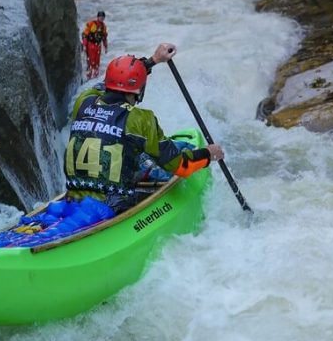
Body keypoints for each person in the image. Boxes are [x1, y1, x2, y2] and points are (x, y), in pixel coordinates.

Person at [64, 43, 224, 214]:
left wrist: (153, 60)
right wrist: (208, 154)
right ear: (139, 90)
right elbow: (181, 166)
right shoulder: (141, 119)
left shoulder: (83, 101)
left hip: (74, 198)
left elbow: (109, 83)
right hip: (113, 205)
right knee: (155, 158)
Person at [81, 10, 107, 80]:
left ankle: (95, 77)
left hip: (98, 46)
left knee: (97, 62)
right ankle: (88, 77)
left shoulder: (103, 26)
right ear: (98, 17)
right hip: (90, 45)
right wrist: (84, 45)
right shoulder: (92, 24)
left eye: (103, 17)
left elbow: (104, 38)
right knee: (90, 62)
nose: (101, 18)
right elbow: (85, 35)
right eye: (100, 17)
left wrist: (106, 47)